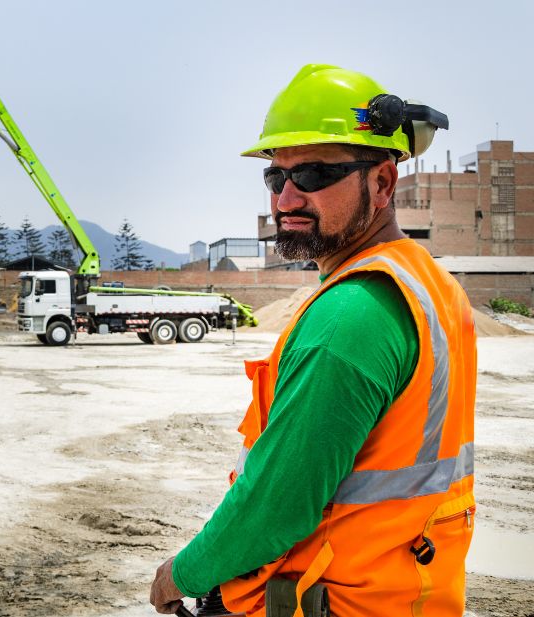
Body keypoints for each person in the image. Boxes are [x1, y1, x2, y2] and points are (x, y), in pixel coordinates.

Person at [149, 64, 476, 616]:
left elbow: (275, 505)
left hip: (333, 601)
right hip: (404, 594)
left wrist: (181, 574)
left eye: (314, 174)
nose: (286, 200)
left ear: (382, 182)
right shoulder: (427, 281)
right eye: (276, 177)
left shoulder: (350, 316)